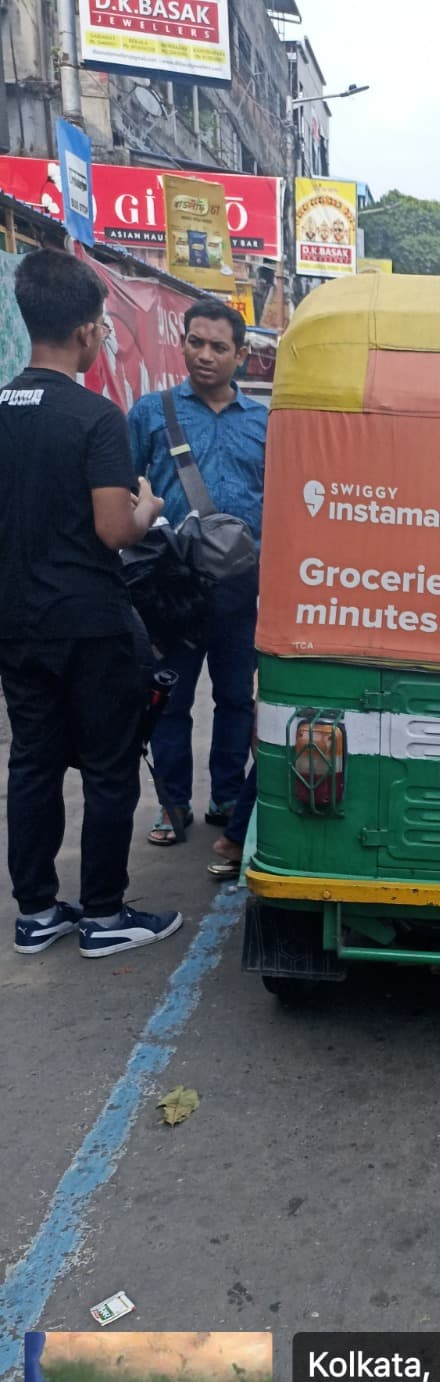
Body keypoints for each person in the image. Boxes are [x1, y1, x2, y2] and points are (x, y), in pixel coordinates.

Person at [0, 248, 182, 957]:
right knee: (108, 765)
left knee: (34, 762)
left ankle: (37, 911)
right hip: (91, 622)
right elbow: (114, 529)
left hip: (16, 622)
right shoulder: (95, 417)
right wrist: (148, 506)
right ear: (85, 330)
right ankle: (105, 913)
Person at [128, 298, 267, 845]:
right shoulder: (150, 412)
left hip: (239, 587)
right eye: (195, 342)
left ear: (241, 354)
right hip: (171, 588)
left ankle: (228, 797)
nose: (204, 355)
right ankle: (172, 803)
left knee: (236, 697)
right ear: (182, 343)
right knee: (170, 697)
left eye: (218, 346)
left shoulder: (264, 422)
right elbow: (121, 487)